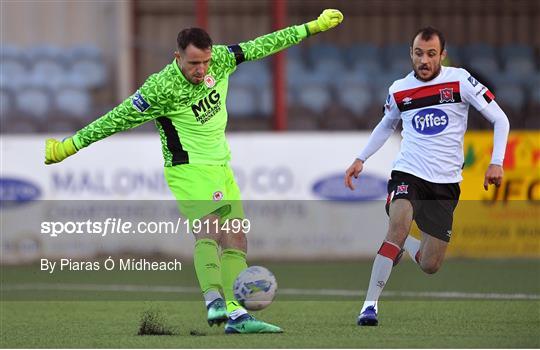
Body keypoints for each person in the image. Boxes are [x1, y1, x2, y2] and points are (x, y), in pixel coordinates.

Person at [45, 9, 343, 334]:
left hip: (220, 166)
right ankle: (213, 299)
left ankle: (236, 315)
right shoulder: (160, 88)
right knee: (210, 230)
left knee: (237, 240)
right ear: (177, 57)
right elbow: (115, 118)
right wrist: (70, 146)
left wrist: (310, 27)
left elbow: (263, 44)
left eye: (205, 62)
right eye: (193, 64)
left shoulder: (221, 60)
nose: (201, 69)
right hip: (187, 169)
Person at [344, 27, 510, 326]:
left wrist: (496, 162)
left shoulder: (460, 81)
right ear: (411, 53)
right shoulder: (399, 89)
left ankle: (405, 242)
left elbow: (500, 118)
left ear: (442, 55)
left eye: (431, 54)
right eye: (419, 53)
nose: (424, 60)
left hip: (445, 183)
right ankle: (369, 307)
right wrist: (361, 158)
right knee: (397, 226)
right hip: (408, 171)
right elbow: (386, 125)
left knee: (430, 264)